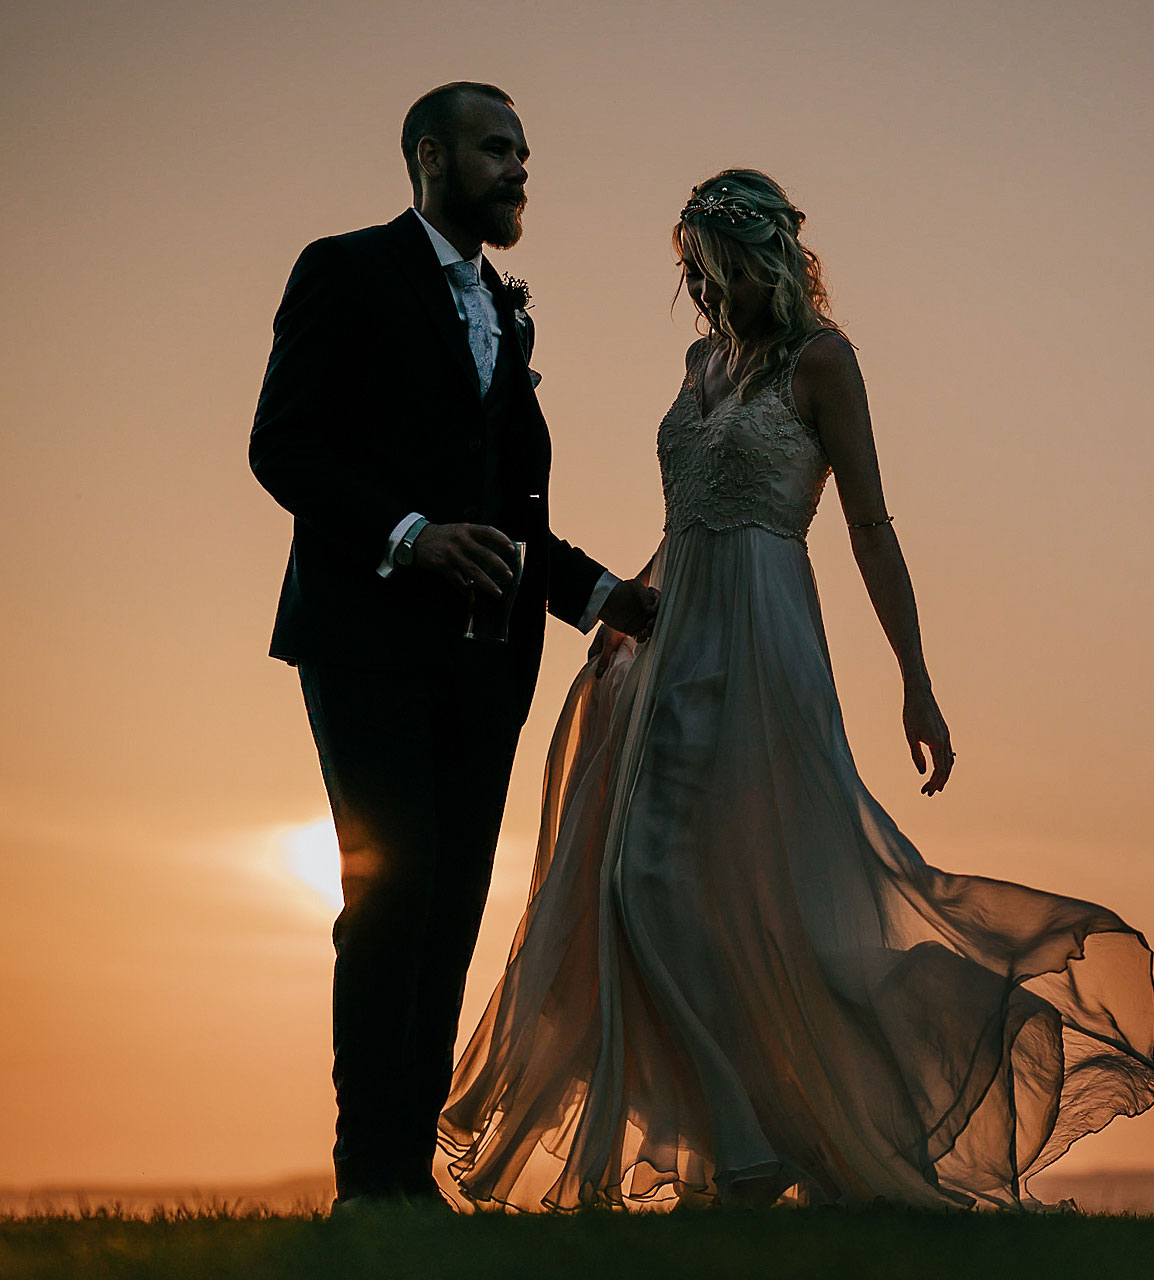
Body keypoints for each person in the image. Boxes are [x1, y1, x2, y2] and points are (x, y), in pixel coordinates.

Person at [438, 170, 1154, 1211]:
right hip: (674, 619)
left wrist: (917, 678)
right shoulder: (702, 361)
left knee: (704, 881)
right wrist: (628, 606)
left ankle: (789, 1125)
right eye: (691, 260)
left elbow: (870, 523)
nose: (701, 279)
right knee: (642, 880)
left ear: (766, 254)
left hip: (761, 626)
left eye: (717, 257)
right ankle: (751, 1133)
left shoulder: (825, 362)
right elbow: (689, 507)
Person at [249, 81, 658, 1210]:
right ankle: (366, 1182)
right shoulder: (343, 269)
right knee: (391, 894)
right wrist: (410, 535)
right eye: (496, 148)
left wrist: (611, 596)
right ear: (429, 157)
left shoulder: (509, 312)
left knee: (453, 906)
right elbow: (283, 444)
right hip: (366, 642)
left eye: (525, 151)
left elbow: (515, 515)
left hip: (491, 665)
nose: (520, 168)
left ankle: (407, 1184)